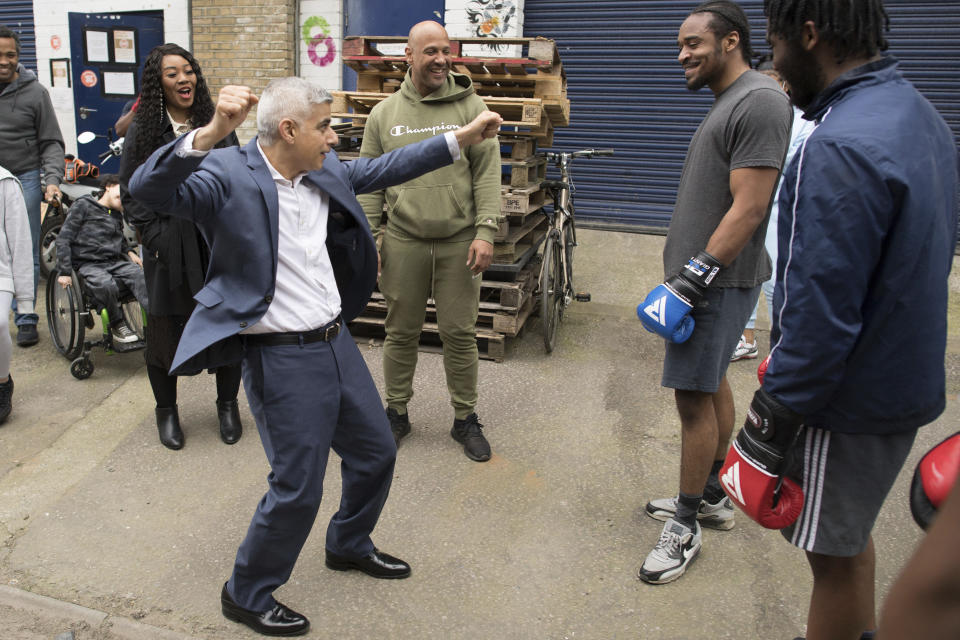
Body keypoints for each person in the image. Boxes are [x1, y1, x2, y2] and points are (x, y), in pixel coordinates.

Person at [128, 77, 501, 637]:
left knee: (376, 451)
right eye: (324, 126)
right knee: (298, 484)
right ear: (289, 130)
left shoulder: (321, 170)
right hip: (279, 356)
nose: (334, 137)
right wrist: (211, 132)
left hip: (335, 342)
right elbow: (149, 191)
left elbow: (386, 168)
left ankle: (348, 543)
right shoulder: (227, 175)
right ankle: (246, 593)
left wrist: (462, 137)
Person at [718, 1, 958, 638]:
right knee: (845, 536)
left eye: (774, 43)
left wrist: (773, 418)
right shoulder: (919, 115)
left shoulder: (840, 145)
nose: (773, 62)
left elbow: (819, 313)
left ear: (810, 33)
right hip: (898, 383)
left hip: (845, 402)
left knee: (832, 557)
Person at [636, 0, 791, 584]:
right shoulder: (734, 100)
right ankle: (712, 497)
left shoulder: (759, 100)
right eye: (681, 44)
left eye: (693, 43)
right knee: (713, 381)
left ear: (730, 42)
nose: (683, 55)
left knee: (691, 399)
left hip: (714, 283)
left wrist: (692, 279)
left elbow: (750, 208)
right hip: (709, 281)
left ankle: (684, 525)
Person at [358, 20, 502, 462]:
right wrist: (371, 237)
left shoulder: (470, 107)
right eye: (431, 52)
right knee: (400, 332)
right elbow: (368, 180)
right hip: (404, 241)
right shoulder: (385, 115)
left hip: (459, 241)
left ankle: (465, 419)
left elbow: (487, 172)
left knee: (459, 333)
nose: (441, 60)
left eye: (447, 51)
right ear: (409, 55)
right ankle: (396, 412)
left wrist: (485, 230)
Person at [119, 43, 244, 451]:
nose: (184, 78)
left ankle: (227, 406)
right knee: (165, 330)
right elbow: (131, 192)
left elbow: (238, 174)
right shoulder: (143, 127)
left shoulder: (216, 121)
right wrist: (154, 237)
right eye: (172, 73)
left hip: (214, 241)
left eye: (188, 70)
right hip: (166, 246)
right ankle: (166, 411)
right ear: (159, 82)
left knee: (226, 326)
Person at [730, 62, 816, 362]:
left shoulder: (805, 123)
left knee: (776, 279)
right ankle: (747, 338)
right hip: (749, 208)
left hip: (782, 212)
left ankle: (784, 346)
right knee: (747, 273)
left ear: (786, 86)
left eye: (773, 84)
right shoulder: (749, 117)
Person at [0, 25, 65, 348]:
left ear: (18, 56)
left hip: (23, 176)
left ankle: (25, 315)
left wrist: (51, 180)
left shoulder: (35, 93)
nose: (4, 61)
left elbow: (52, 142)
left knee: (22, 246)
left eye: (10, 54)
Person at [54, 174, 148, 348]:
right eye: (121, 195)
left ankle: (156, 321)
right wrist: (64, 271)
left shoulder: (116, 214)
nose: (123, 202)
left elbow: (119, 239)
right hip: (88, 263)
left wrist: (129, 252)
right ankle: (117, 323)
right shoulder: (84, 205)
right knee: (105, 284)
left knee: (140, 275)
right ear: (109, 186)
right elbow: (64, 238)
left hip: (114, 261)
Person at [0, 166, 34, 422]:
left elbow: (20, 241)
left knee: (0, 325)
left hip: (1, 273)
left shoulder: (5, 181)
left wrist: (24, 301)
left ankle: (2, 380)